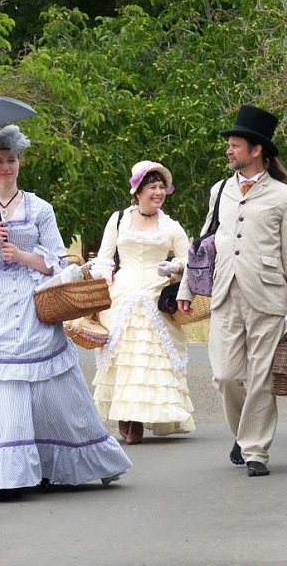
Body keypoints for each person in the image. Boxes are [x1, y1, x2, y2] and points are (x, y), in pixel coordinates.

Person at [0, 125, 132, 499]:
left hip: (33, 304)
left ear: (20, 163)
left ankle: (58, 463)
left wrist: (21, 255)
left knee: (48, 384)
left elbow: (57, 261)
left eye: (11, 160)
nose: (6, 167)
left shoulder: (40, 208)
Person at [177, 105, 287, 477]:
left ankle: (255, 449)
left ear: (256, 150)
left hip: (267, 295)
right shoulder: (219, 190)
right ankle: (243, 433)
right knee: (224, 375)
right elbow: (203, 242)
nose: (229, 151)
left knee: (261, 377)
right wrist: (187, 287)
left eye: (235, 145)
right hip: (224, 292)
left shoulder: (284, 196)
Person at [92, 161, 195, 444]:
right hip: (122, 295)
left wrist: (174, 267)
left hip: (156, 295)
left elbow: (189, 260)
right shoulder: (118, 220)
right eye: (152, 187)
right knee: (124, 357)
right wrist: (100, 283)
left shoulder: (171, 226)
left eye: (162, 187)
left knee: (148, 358)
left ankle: (139, 418)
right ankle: (126, 416)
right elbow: (104, 257)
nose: (158, 192)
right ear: (138, 191)